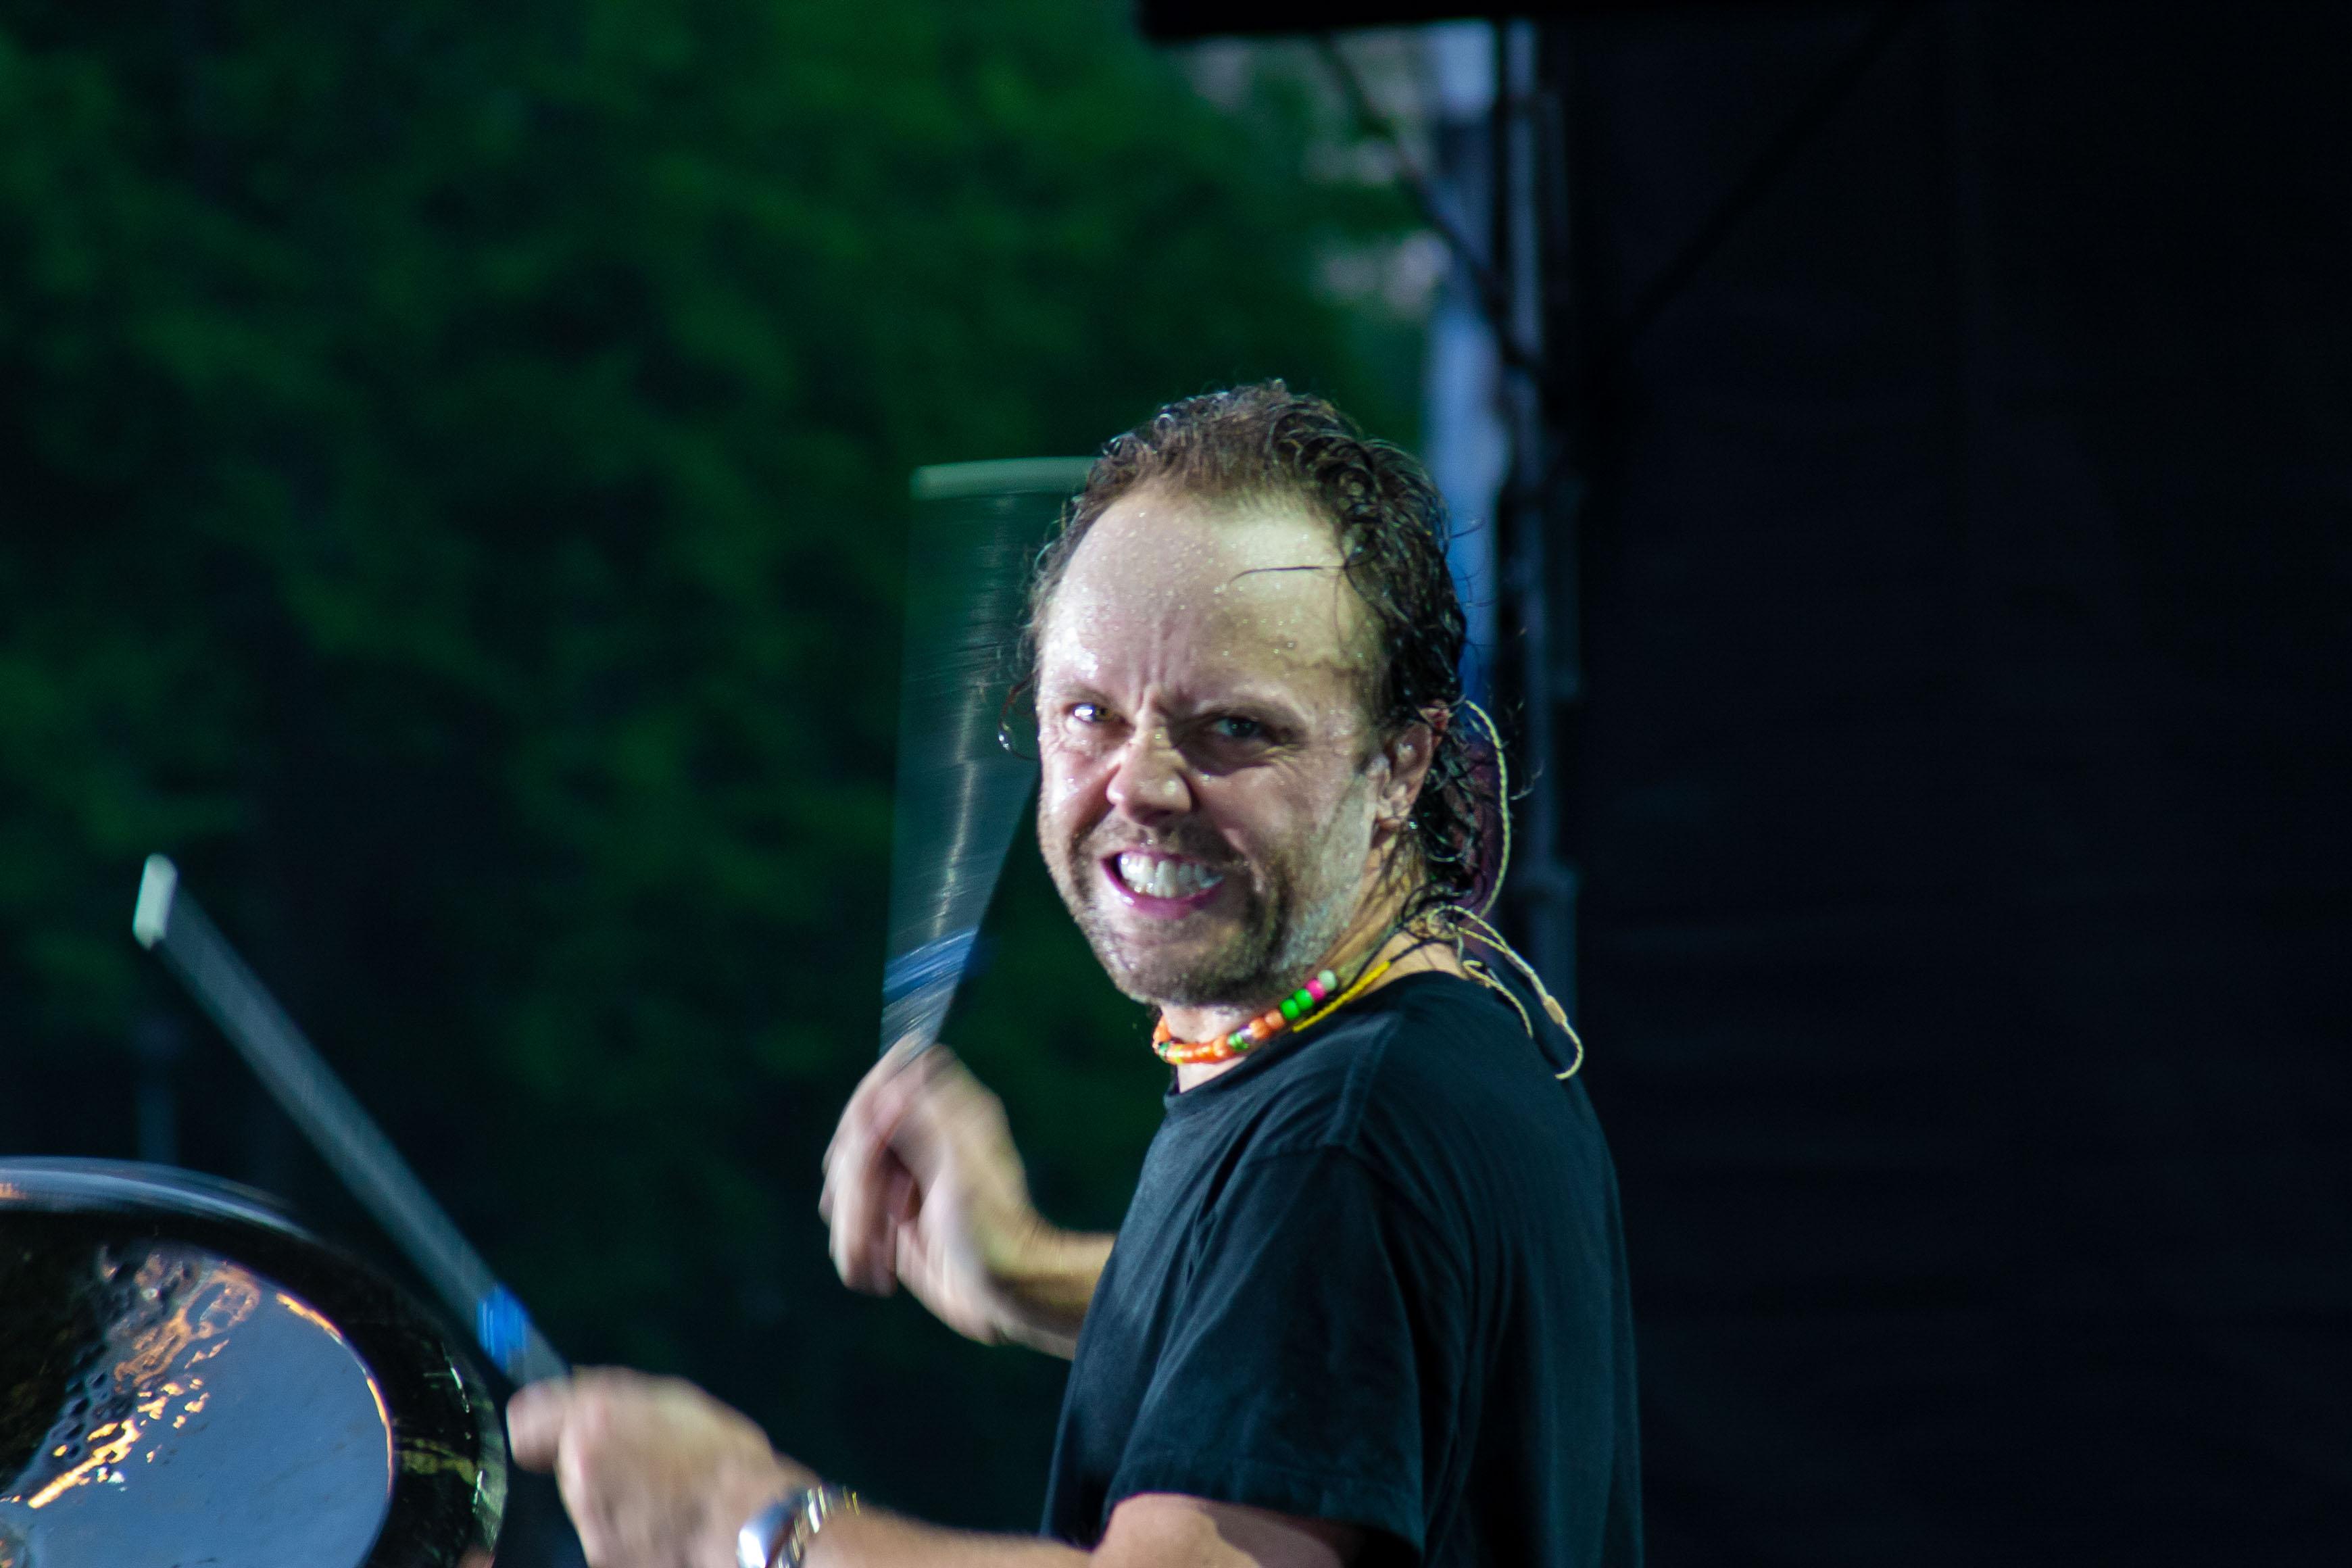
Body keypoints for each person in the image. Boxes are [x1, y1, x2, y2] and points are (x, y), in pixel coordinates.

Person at [508, 384, 1642, 1568]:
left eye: (1235, 730)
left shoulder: (1344, 1143)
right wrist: (1031, 1278)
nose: (1138, 784)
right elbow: (1327, 1339)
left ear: (1400, 764)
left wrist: (742, 1523)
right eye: (1090, 714)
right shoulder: (1464, 1044)